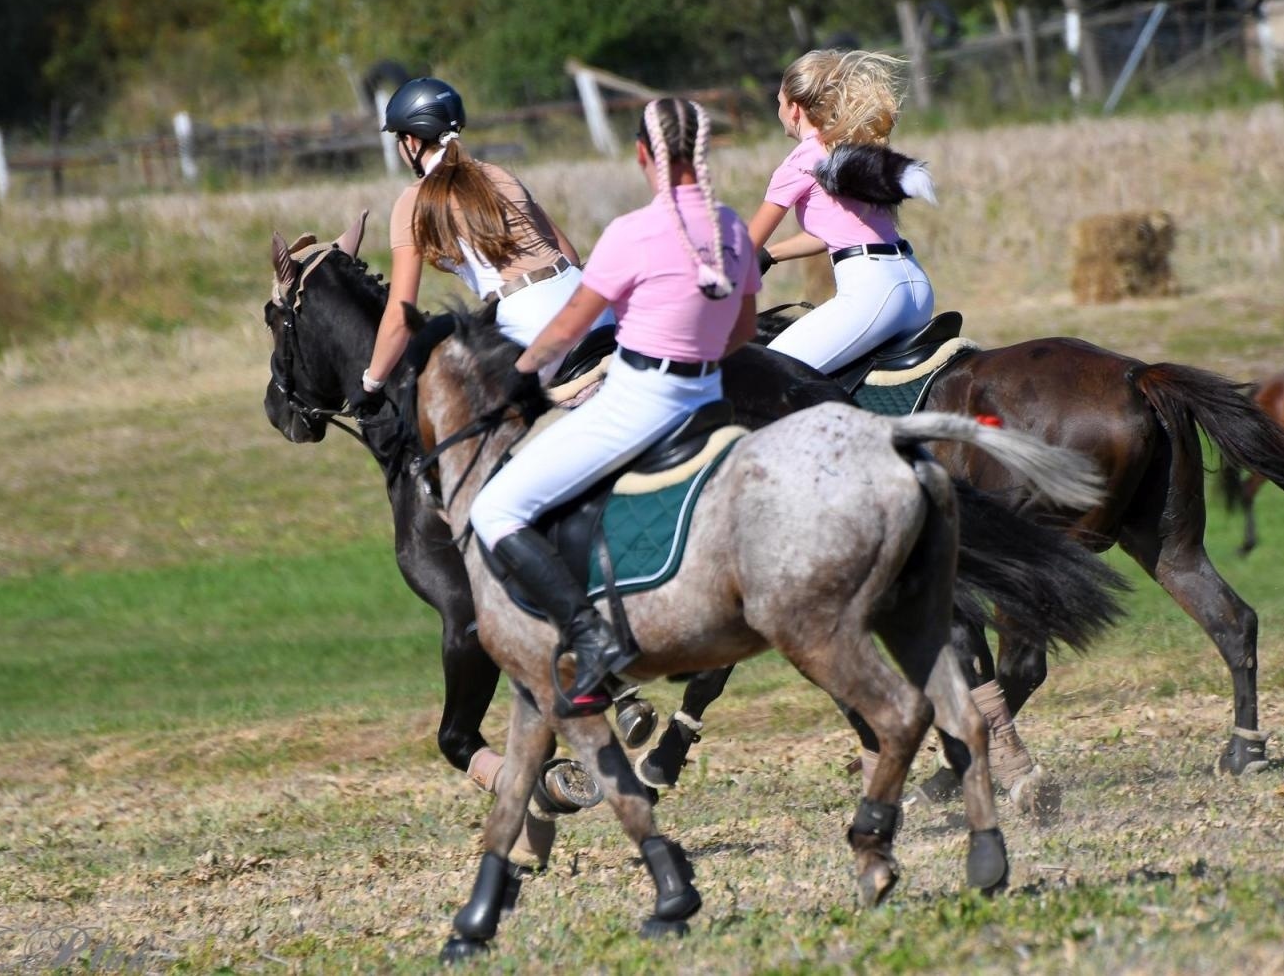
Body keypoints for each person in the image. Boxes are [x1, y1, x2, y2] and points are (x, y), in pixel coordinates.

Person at [469, 98, 761, 717]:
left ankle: (590, 639)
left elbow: (567, 330)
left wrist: (517, 379)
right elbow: (743, 328)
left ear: (641, 155)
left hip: (639, 402)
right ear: (703, 151)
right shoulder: (732, 225)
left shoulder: (631, 232)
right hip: (710, 397)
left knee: (497, 507)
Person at [350, 77, 610, 415]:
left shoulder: (413, 202)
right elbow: (568, 255)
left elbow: (401, 317)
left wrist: (371, 383)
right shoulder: (499, 175)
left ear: (411, 142)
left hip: (530, 323)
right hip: (590, 303)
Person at [748, 49, 938, 373]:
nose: (779, 110)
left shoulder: (796, 164)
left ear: (794, 109)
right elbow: (839, 232)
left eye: (779, 102)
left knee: (766, 374)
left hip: (872, 292)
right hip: (915, 285)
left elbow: (742, 248)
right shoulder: (850, 150)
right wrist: (773, 254)